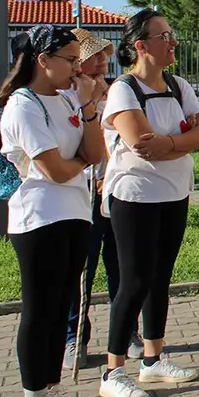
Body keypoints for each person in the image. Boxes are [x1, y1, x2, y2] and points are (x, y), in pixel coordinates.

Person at [98, 9, 199, 397]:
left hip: (174, 194)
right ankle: (113, 370)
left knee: (161, 278)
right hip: (136, 197)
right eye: (165, 36)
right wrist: (179, 141)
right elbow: (140, 143)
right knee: (134, 281)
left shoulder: (180, 85)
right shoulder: (123, 90)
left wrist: (172, 143)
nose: (173, 41)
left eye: (173, 34)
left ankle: (153, 358)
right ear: (141, 45)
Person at [0, 25, 104, 397]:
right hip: (39, 219)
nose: (79, 68)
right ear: (43, 60)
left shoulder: (65, 100)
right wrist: (79, 164)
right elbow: (55, 170)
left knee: (61, 310)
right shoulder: (22, 105)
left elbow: (96, 151)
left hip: (75, 214)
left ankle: (52, 395)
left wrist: (89, 107)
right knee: (40, 311)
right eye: (71, 60)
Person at [63, 28, 145, 370]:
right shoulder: (64, 96)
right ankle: (74, 337)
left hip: (112, 192)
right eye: (95, 55)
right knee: (80, 270)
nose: (103, 61)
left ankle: (127, 331)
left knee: (121, 265)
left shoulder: (114, 92)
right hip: (77, 193)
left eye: (104, 55)